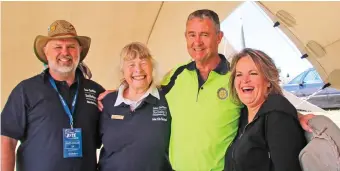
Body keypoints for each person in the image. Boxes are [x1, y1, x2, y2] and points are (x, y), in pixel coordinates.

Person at [98, 9, 314, 171]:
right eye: (191, 35)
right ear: (185, 38)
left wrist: (296, 114)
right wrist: (118, 92)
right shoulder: (175, 76)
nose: (197, 42)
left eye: (204, 35)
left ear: (219, 38)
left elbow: (262, 100)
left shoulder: (234, 76)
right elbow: (143, 87)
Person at [1, 20, 105, 171]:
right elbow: (6, 140)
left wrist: (120, 95)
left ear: (79, 51)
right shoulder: (26, 90)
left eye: (71, 47)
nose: (65, 52)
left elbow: (114, 136)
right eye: (58, 47)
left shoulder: (96, 92)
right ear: (45, 52)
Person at [224, 48, 306, 171]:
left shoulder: (278, 116)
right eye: (239, 74)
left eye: (253, 73)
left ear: (268, 80)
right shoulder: (244, 113)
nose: (244, 80)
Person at [98, 42, 172, 171]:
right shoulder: (107, 102)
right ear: (123, 71)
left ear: (152, 67)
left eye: (143, 62)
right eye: (131, 64)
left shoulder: (167, 99)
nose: (138, 69)